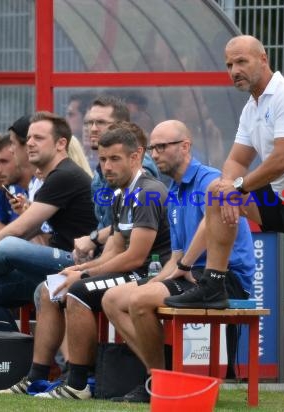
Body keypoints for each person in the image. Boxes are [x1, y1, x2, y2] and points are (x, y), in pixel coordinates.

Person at [164, 35, 284, 411]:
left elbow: (282, 159)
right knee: (216, 192)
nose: (234, 71)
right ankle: (214, 283)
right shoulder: (252, 109)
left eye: (241, 62)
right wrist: (230, 188)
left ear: (262, 59)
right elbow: (236, 161)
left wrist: (237, 186)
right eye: (229, 65)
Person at [0, 124, 171, 400]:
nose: (107, 167)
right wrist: (79, 269)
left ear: (136, 156)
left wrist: (82, 278)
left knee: (76, 292)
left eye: (115, 159)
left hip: (149, 275)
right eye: (103, 160)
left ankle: (79, 383)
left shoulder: (147, 191)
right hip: (127, 270)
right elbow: (113, 249)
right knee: (50, 288)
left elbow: (136, 257)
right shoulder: (119, 194)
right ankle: (36, 377)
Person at [101, 120, 255, 404]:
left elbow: (207, 229)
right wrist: (153, 282)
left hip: (224, 279)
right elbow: (175, 257)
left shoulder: (209, 179)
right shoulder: (172, 191)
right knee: (113, 299)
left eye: (162, 147)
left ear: (185, 146)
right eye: (153, 148)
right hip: (190, 273)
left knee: (138, 301)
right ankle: (159, 378)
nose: (155, 154)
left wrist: (182, 267)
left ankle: (160, 382)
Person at [0, 111, 97, 332]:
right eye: (29, 138)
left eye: (39, 138)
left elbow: (19, 230)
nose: (30, 144)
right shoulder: (50, 178)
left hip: (80, 265)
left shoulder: (65, 175)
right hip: (57, 264)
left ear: (60, 144)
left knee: (7, 246)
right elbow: (29, 232)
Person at [73, 95, 158, 263]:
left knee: (11, 248)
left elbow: (130, 223)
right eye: (90, 123)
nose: (93, 128)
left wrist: (92, 240)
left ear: (121, 126)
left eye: (101, 122)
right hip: (101, 255)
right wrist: (92, 247)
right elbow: (105, 221)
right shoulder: (100, 169)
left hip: (128, 261)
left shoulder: (138, 166)